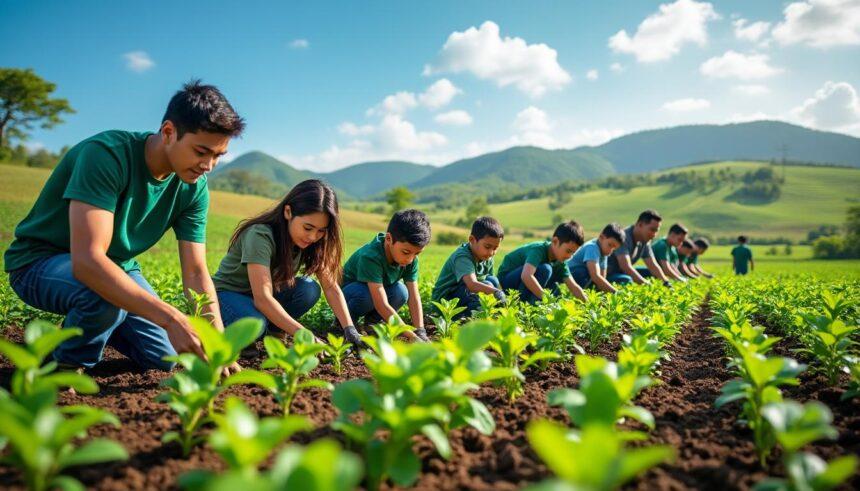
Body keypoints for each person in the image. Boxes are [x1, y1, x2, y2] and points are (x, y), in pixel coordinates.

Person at [4, 80, 244, 372]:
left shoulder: (194, 188)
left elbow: (195, 270)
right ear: (169, 132)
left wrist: (216, 341)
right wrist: (170, 317)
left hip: (118, 269)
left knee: (168, 360)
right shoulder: (106, 155)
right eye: (201, 151)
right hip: (39, 263)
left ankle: (82, 331)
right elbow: (88, 262)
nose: (208, 165)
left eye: (218, 156)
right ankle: (63, 370)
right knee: (103, 296)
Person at [212, 179, 364, 346]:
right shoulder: (260, 235)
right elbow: (262, 298)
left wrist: (350, 330)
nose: (313, 237)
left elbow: (331, 287)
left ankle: (273, 331)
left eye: (321, 231)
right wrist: (306, 337)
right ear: (288, 212)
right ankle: (248, 329)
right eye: (308, 228)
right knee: (256, 323)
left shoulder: (310, 243)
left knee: (308, 289)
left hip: (262, 297)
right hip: (227, 294)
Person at [341, 209, 430, 341]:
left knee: (401, 292)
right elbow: (381, 303)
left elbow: (414, 296)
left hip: (375, 293)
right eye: (406, 252)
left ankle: (372, 322)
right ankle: (345, 323)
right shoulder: (371, 257)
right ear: (389, 239)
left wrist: (420, 331)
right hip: (350, 295)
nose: (410, 259)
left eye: (416, 254)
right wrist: (411, 336)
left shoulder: (410, 259)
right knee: (366, 295)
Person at [431, 216, 505, 318]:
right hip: (447, 300)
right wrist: (497, 293)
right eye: (487, 247)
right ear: (472, 240)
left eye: (495, 248)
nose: (491, 252)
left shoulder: (487, 257)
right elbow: (472, 284)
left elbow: (492, 284)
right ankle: (464, 315)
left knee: (492, 280)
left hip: (466, 293)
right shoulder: (463, 257)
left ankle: (479, 311)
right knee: (488, 287)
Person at [498, 221, 588, 304]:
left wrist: (588, 305)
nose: (570, 256)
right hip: (506, 283)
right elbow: (526, 276)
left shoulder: (560, 262)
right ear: (555, 241)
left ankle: (532, 305)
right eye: (568, 251)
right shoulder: (538, 250)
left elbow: (573, 286)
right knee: (546, 269)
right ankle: (523, 305)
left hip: (521, 282)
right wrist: (546, 299)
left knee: (556, 279)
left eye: (573, 253)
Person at [605, 209, 672, 287]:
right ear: (640, 224)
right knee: (626, 280)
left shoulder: (644, 241)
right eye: (652, 230)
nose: (654, 234)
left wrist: (666, 282)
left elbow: (653, 266)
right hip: (609, 274)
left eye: (656, 231)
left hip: (621, 273)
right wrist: (646, 284)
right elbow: (625, 267)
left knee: (651, 273)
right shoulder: (624, 238)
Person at [568, 223, 625, 294]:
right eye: (610, 245)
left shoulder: (604, 253)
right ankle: (578, 295)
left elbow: (602, 277)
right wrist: (615, 292)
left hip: (583, 277)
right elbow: (595, 276)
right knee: (583, 272)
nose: (611, 250)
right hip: (571, 274)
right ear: (601, 237)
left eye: (614, 248)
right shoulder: (592, 247)